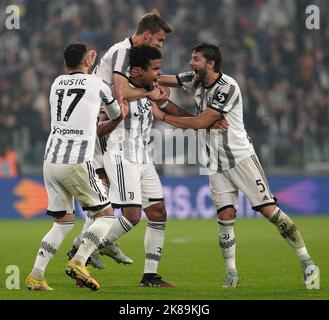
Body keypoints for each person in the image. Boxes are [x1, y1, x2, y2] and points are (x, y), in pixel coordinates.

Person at [152, 43, 320, 290]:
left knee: (269, 211)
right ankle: (231, 273)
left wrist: (163, 116)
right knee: (225, 216)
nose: (190, 63)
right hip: (214, 161)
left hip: (239, 158)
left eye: (195, 59)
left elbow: (199, 122)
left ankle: (307, 261)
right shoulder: (194, 79)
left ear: (210, 63)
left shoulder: (227, 87)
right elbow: (162, 80)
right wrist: (153, 89)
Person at [68, 9, 173, 268]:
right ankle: (86, 245)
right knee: (116, 204)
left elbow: (145, 83)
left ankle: (102, 243)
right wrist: (150, 93)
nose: (160, 45)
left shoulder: (134, 60)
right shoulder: (122, 52)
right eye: (159, 40)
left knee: (118, 204)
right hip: (103, 131)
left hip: (118, 134)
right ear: (146, 35)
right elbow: (120, 92)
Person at [26, 43, 125, 291]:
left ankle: (36, 275)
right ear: (88, 61)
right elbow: (115, 114)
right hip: (77, 161)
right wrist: (120, 110)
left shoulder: (56, 83)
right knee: (106, 215)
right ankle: (79, 261)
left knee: (63, 222)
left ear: (65, 63)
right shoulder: (97, 84)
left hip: (51, 161)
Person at [97, 45, 175, 287]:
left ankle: (150, 276)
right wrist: (102, 168)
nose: (159, 74)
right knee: (131, 216)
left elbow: (162, 108)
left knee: (158, 212)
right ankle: (84, 247)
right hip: (121, 155)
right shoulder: (115, 93)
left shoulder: (148, 90)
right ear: (137, 70)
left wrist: (198, 122)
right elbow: (98, 130)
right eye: (155, 69)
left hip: (143, 157)